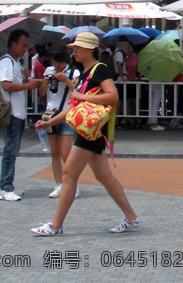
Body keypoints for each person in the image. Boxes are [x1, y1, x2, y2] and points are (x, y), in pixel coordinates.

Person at [31, 32, 140, 236]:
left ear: (89, 49)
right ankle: (131, 217)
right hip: (91, 132)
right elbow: (75, 106)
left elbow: (112, 96)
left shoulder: (100, 70)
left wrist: (80, 95)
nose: (74, 51)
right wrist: (50, 122)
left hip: (90, 133)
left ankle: (56, 225)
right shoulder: (84, 73)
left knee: (69, 174)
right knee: (104, 177)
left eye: (77, 48)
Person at [0, 29, 38, 201]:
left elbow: (16, 85)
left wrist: (26, 80)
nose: (25, 49)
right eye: (23, 45)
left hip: (19, 112)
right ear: (13, 44)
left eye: (27, 46)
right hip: (12, 112)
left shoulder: (16, 63)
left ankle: (8, 185)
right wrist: (27, 86)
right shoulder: (6, 62)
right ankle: (4, 187)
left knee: (13, 150)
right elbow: (6, 86)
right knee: (10, 150)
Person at [39, 46, 77, 197]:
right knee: (55, 153)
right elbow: (42, 92)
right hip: (50, 114)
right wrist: (47, 80)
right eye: (54, 63)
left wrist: (65, 80)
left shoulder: (74, 72)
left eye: (59, 64)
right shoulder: (49, 71)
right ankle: (59, 184)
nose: (57, 67)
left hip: (67, 114)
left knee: (66, 153)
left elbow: (76, 91)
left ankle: (72, 185)